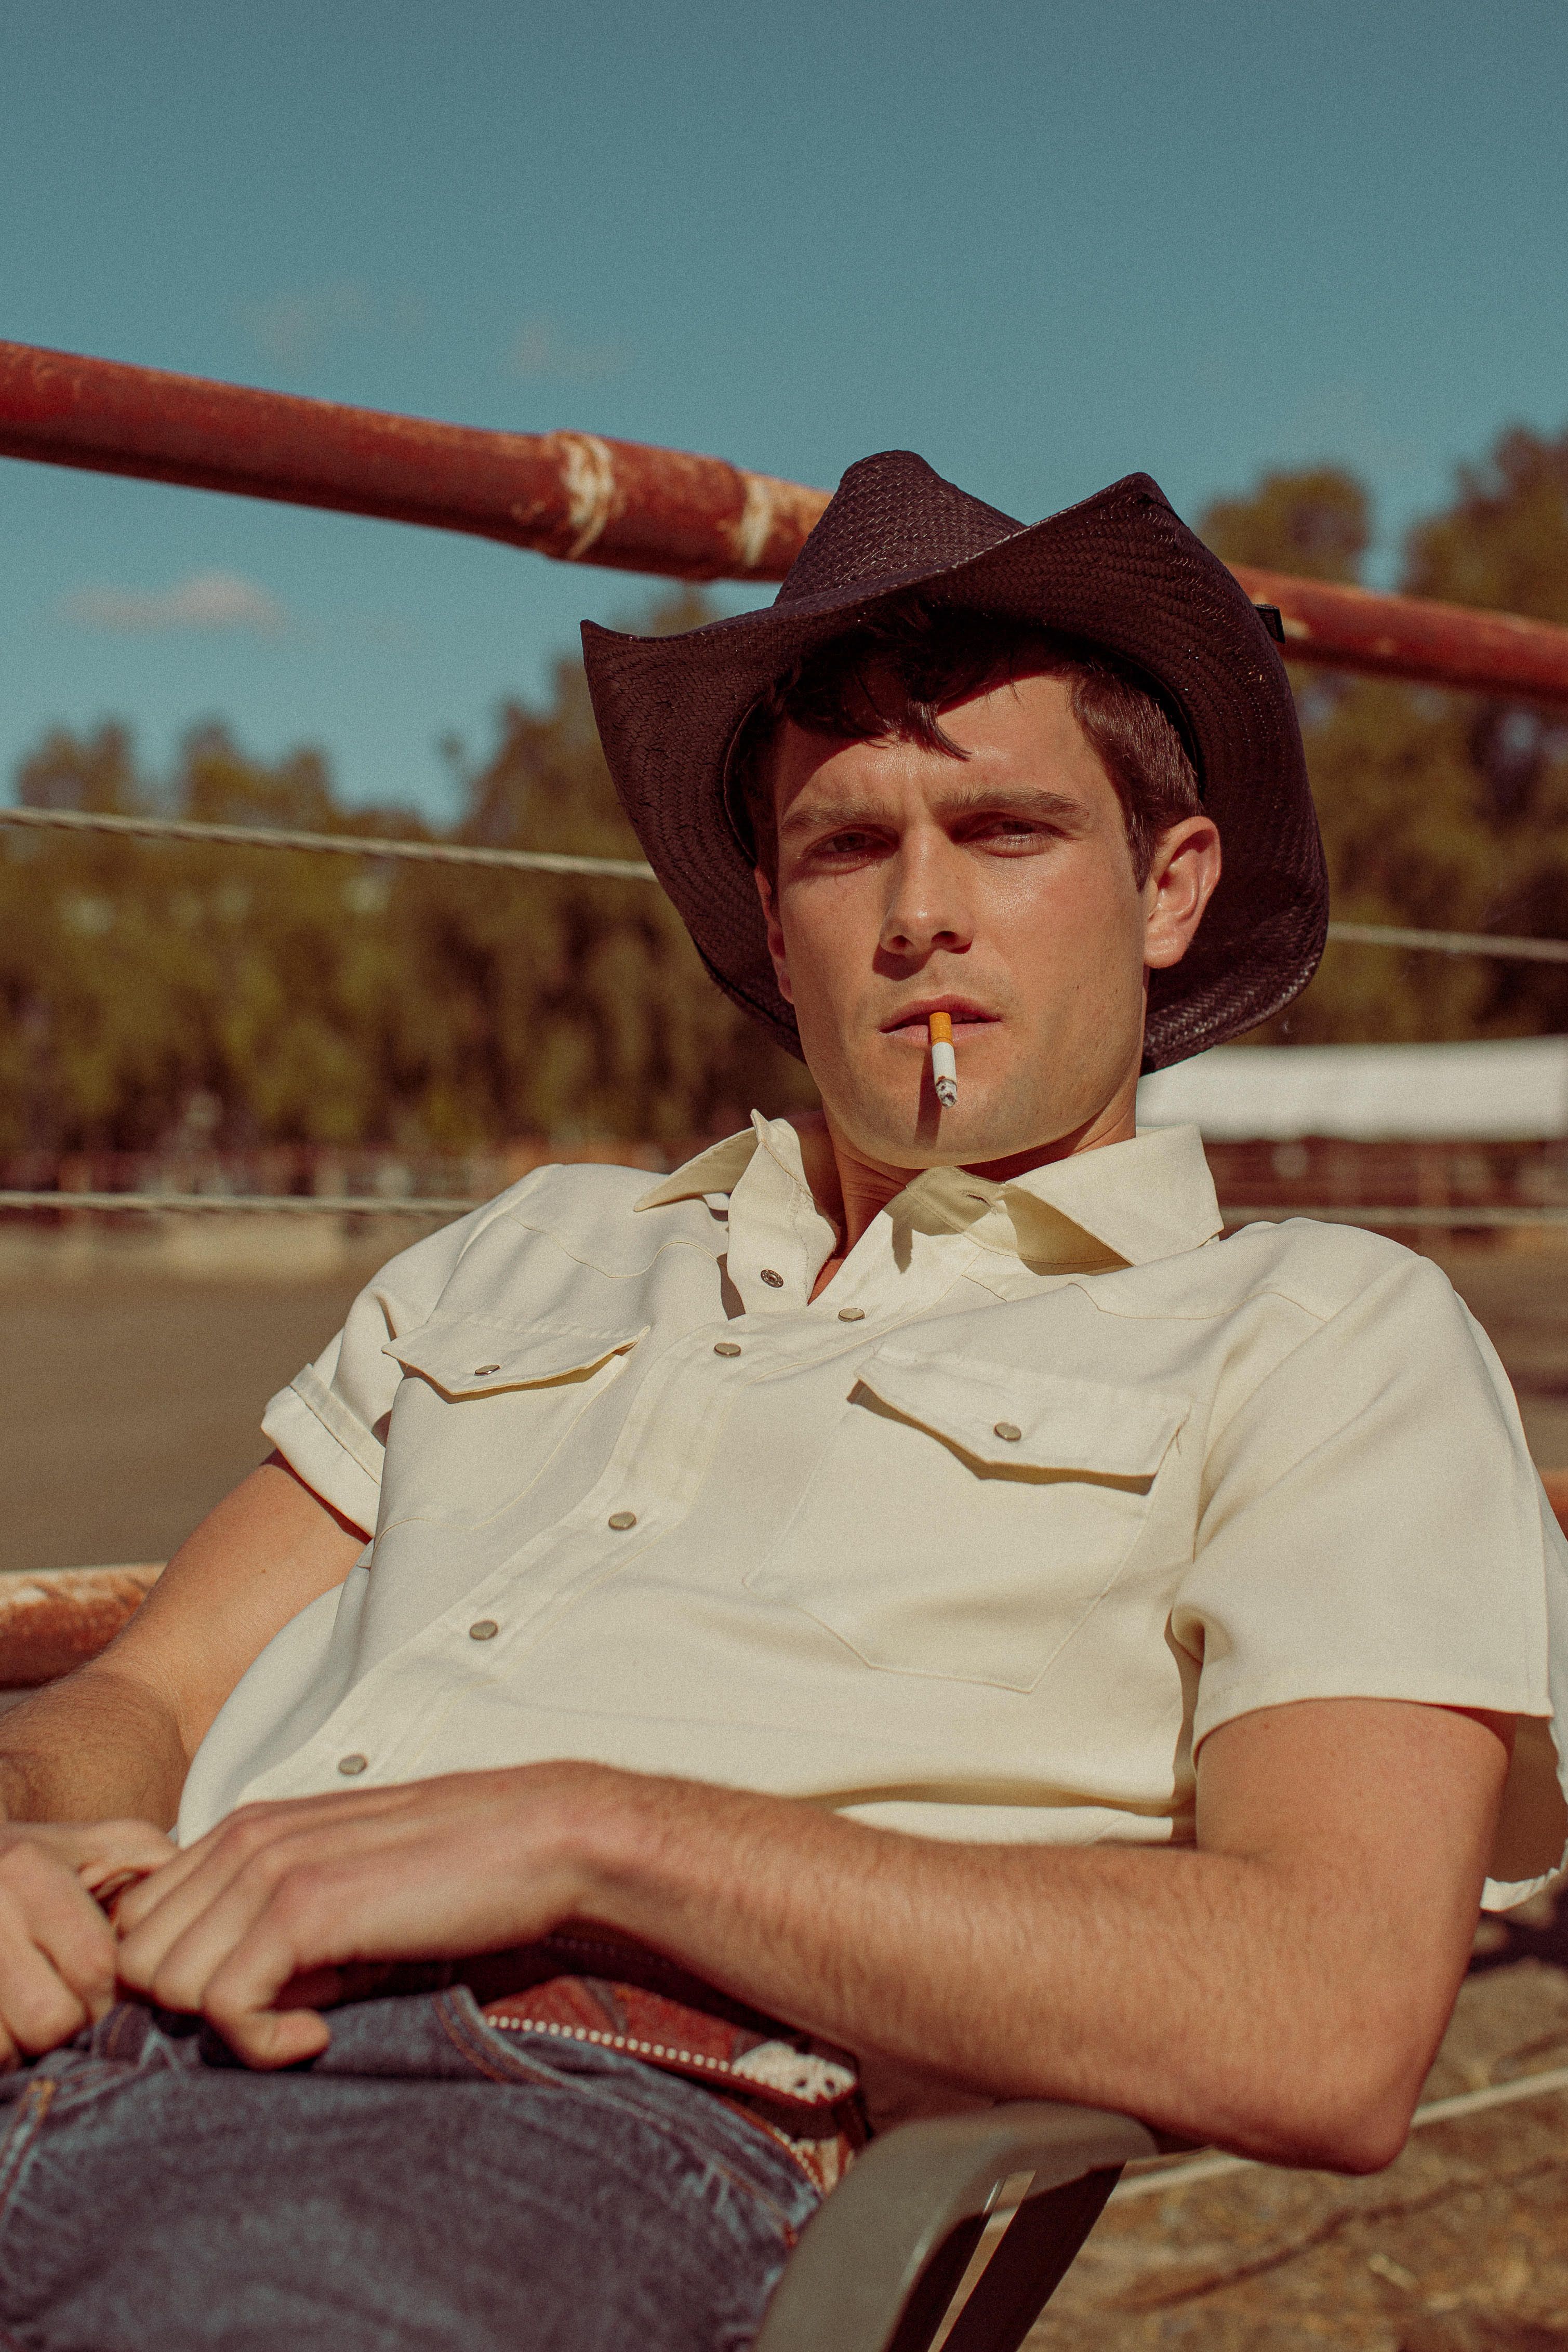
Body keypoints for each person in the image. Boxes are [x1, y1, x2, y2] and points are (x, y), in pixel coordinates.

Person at [1, 453, 1565, 2352]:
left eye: (1004, 830)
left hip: (560, 2108)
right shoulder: (535, 1248)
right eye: (841, 848)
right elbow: (148, 1696)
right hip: (93, 2002)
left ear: (1169, 888)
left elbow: (1324, 2015)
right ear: (766, 912)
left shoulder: (1316, 1333)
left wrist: (591, 1834)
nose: (920, 915)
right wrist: (19, 1827)